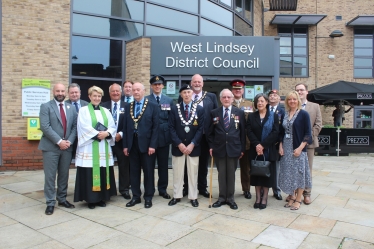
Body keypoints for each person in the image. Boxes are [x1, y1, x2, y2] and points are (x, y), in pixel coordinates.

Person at [74, 86, 117, 209]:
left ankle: (101, 198)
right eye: (94, 96)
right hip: (89, 147)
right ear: (89, 96)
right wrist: (97, 134)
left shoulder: (106, 111)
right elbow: (83, 126)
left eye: (99, 96)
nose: (97, 98)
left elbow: (112, 126)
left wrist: (107, 133)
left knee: (103, 170)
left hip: (103, 146)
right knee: (89, 172)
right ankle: (90, 199)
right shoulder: (83, 110)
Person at [39, 83, 77, 215]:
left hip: (66, 147)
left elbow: (74, 127)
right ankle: (50, 202)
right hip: (50, 147)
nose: (60, 93)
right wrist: (59, 141)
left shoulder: (71, 107)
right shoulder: (46, 107)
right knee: (50, 176)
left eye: (62, 91)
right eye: (57, 91)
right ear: (53, 92)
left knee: (63, 175)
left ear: (65, 92)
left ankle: (62, 198)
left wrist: (69, 142)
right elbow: (45, 126)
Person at [180, 74, 218, 198]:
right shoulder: (185, 96)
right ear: (191, 83)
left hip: (205, 137)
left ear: (202, 84)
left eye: (199, 82)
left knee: (203, 164)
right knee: (188, 163)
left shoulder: (211, 97)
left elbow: (216, 116)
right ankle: (187, 187)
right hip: (188, 138)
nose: (197, 84)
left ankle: (202, 187)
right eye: (195, 82)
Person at [122, 82, 159, 208]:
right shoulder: (128, 106)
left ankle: (148, 197)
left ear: (144, 91)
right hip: (133, 144)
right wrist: (126, 145)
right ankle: (136, 196)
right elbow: (126, 127)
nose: (136, 92)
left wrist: (153, 145)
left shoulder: (153, 106)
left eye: (138, 90)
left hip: (147, 145)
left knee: (148, 172)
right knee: (134, 172)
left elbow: (156, 128)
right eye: (134, 90)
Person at [208, 89, 246, 210]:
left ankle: (230, 198)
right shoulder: (214, 112)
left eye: (228, 97)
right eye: (223, 97)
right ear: (220, 99)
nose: (226, 99)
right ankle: (221, 198)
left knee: (231, 174)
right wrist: (211, 146)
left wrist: (242, 149)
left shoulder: (239, 112)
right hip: (219, 148)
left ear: (232, 98)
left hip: (233, 148)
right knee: (221, 174)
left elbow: (243, 132)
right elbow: (209, 132)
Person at [168, 84, 204, 207]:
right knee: (177, 173)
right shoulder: (174, 108)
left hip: (193, 147)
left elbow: (200, 129)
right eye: (184, 92)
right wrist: (179, 144)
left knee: (193, 173)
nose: (187, 94)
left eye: (189, 92)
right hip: (179, 147)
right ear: (181, 94)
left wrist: (192, 144)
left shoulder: (199, 109)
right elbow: (171, 128)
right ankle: (177, 195)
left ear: (192, 94)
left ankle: (193, 197)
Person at [279, 90, 312, 211]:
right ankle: (291, 197)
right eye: (289, 99)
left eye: (294, 99)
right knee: (289, 173)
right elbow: (281, 132)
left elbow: (308, 134)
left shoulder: (304, 114)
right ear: (287, 101)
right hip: (286, 148)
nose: (292, 101)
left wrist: (300, 148)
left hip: (298, 148)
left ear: (298, 100)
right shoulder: (285, 114)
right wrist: (280, 146)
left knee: (299, 174)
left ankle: (298, 200)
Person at [246, 93, 279, 210]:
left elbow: (276, 132)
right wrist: (257, 145)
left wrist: (263, 145)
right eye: (258, 101)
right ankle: (257, 198)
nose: (259, 103)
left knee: (267, 175)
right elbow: (249, 131)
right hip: (255, 150)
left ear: (267, 102)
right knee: (256, 174)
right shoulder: (251, 116)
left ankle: (264, 197)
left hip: (269, 150)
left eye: (262, 101)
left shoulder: (273, 116)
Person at [101, 83, 131, 200]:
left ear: (121, 92)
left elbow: (129, 124)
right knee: (106, 165)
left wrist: (121, 134)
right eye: (113, 91)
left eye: (117, 91)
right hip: (107, 141)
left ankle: (124, 189)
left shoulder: (128, 106)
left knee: (124, 166)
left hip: (121, 141)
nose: (115, 93)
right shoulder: (103, 106)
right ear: (109, 93)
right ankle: (107, 190)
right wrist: (109, 134)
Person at [146, 75, 173, 199]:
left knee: (163, 166)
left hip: (164, 137)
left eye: (159, 84)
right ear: (151, 86)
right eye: (155, 84)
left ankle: (162, 189)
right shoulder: (146, 100)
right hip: (150, 138)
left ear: (163, 86)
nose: (157, 86)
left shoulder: (169, 100)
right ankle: (149, 189)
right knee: (149, 166)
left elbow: (171, 119)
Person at [295, 83, 322, 205]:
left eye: (301, 90)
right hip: (294, 144)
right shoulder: (292, 106)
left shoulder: (315, 106)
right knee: (294, 169)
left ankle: (307, 194)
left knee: (307, 169)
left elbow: (318, 124)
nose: (299, 92)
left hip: (309, 144)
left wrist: (307, 138)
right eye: (297, 90)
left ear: (307, 92)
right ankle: (295, 193)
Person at [231, 79, 254, 200]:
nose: (237, 91)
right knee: (231, 168)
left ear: (243, 90)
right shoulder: (228, 103)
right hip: (232, 142)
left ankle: (246, 189)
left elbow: (253, 122)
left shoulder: (249, 104)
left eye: (239, 89)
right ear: (232, 91)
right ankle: (230, 190)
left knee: (246, 168)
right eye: (235, 89)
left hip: (246, 142)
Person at [268, 89, 285, 201]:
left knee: (276, 169)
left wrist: (281, 145)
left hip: (276, 143)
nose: (273, 97)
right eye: (271, 95)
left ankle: (276, 190)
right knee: (263, 167)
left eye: (275, 95)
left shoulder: (283, 111)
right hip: (264, 143)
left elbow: (283, 130)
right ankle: (264, 189)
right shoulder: (264, 109)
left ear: (279, 98)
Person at [65, 83, 89, 159]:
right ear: (68, 93)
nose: (74, 94)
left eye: (76, 92)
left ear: (80, 92)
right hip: (69, 139)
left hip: (84, 138)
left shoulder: (87, 105)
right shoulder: (64, 105)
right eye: (72, 93)